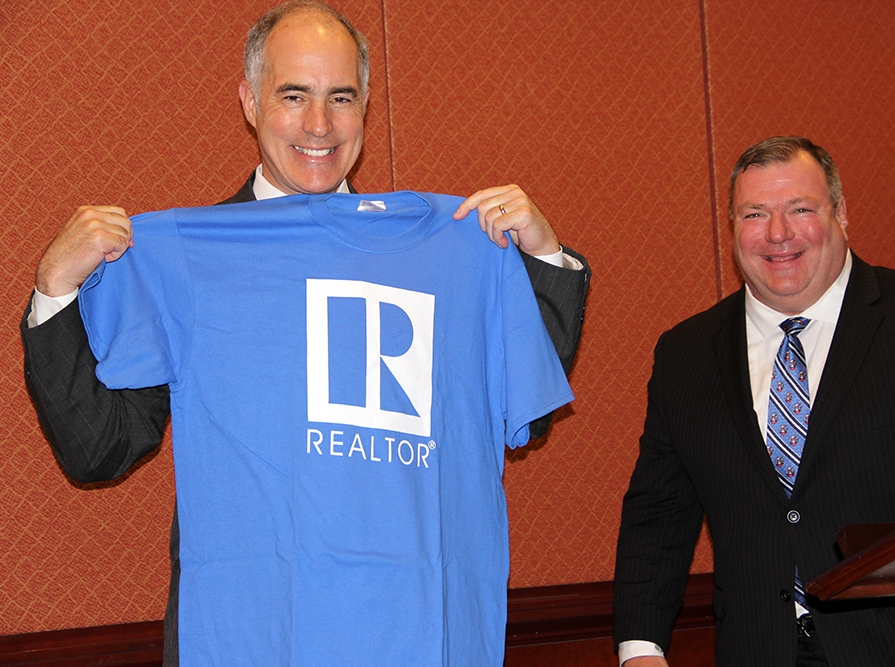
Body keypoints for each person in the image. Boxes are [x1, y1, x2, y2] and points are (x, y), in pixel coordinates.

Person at [20, 2, 590, 665]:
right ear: (250, 102)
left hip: (413, 636)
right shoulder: (192, 264)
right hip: (253, 637)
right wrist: (55, 287)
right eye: (294, 95)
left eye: (340, 97)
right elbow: (99, 449)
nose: (319, 124)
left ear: (366, 106)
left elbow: (523, 406)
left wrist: (544, 256)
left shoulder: (441, 253)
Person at [613, 136, 895, 666]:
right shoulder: (685, 353)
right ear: (732, 227)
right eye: (754, 214)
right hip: (760, 650)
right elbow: (658, 513)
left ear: (841, 213)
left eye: (800, 209)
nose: (778, 234)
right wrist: (640, 646)